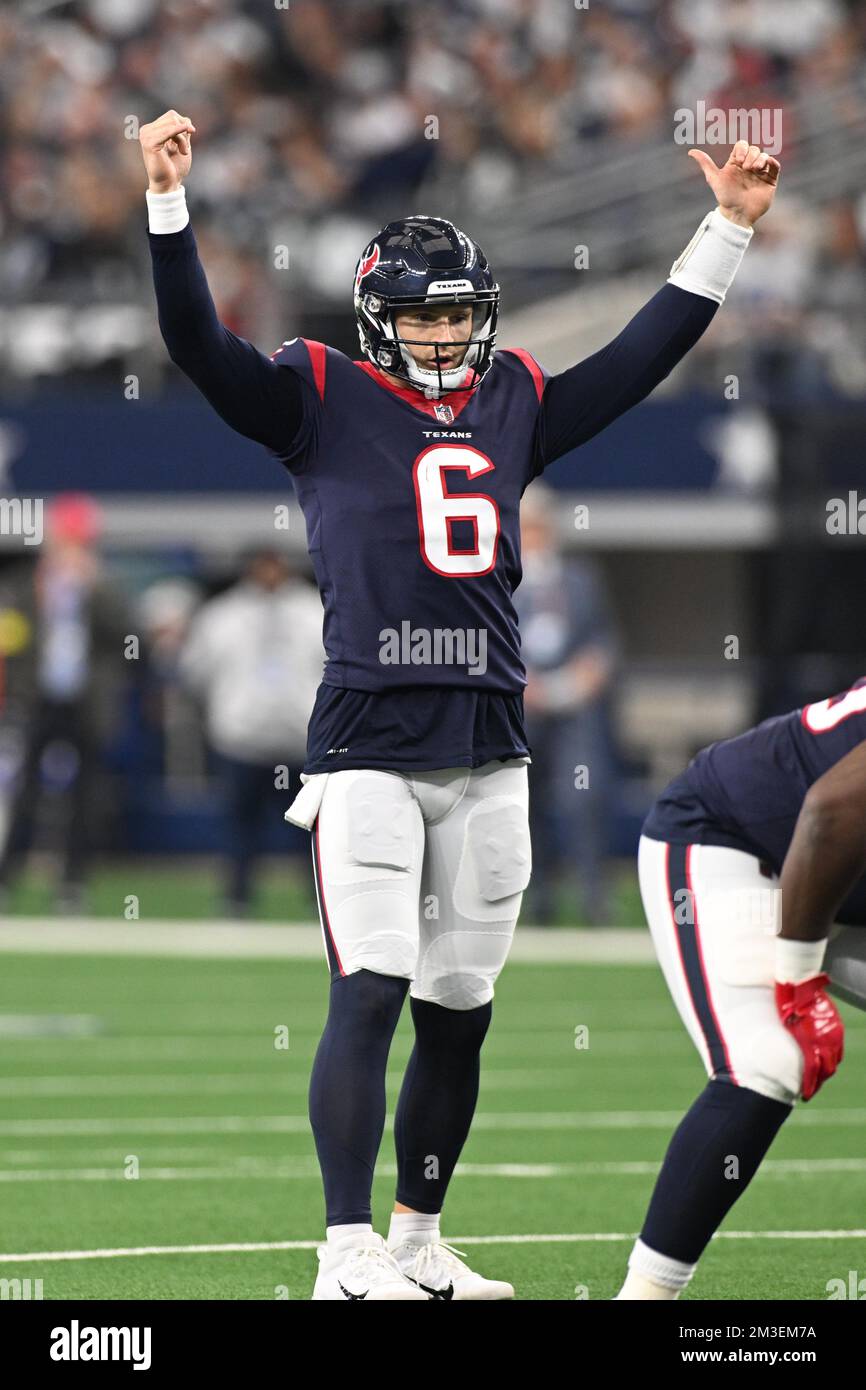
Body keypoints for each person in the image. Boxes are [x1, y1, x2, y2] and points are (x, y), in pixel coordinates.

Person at [140, 107, 779, 1300]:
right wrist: (169, 208)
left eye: (457, 315)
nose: (443, 335)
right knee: (369, 985)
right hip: (369, 732)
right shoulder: (315, 394)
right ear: (380, 320)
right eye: (424, 315)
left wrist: (725, 232)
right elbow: (195, 345)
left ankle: (420, 1239)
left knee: (459, 1008)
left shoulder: (514, 398)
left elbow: (636, 361)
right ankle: (343, 1257)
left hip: (488, 735)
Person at [614, 678, 866, 1301]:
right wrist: (800, 977)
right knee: (766, 1060)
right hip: (736, 844)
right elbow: (831, 811)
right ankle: (644, 1298)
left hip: (840, 876)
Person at [0, 494, 130, 913]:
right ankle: (7, 878)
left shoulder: (103, 587)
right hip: (40, 701)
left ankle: (72, 884)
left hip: (85, 703)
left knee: (84, 796)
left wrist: (95, 589)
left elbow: (130, 641)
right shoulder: (28, 586)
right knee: (26, 791)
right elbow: (14, 645)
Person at [179, 549, 324, 916]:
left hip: (300, 740)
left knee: (310, 830)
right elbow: (195, 671)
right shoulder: (222, 615)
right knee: (239, 826)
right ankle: (236, 897)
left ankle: (320, 902)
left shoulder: (315, 611)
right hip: (241, 739)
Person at [516, 484, 618, 924]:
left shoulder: (579, 579)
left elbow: (603, 639)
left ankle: (594, 896)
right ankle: (537, 899)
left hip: (575, 707)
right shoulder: (498, 580)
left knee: (583, 798)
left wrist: (586, 675)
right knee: (523, 804)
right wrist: (520, 682)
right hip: (522, 708)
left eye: (539, 526)